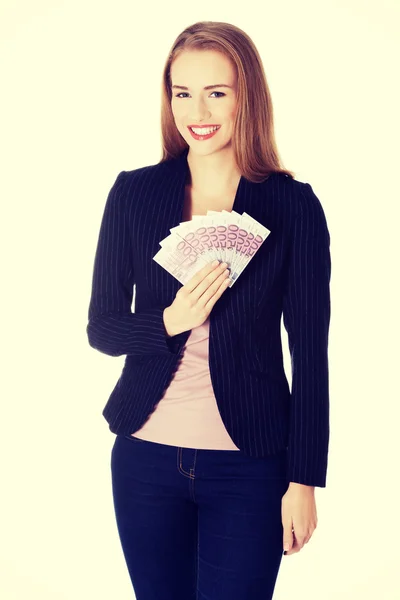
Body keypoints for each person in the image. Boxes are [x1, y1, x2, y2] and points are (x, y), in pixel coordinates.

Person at [86, 20, 331, 600]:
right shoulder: (133, 193)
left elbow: (311, 358)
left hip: (250, 465)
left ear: (247, 96)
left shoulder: (293, 206)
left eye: (216, 92)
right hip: (144, 457)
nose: (197, 109)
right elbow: (102, 328)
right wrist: (169, 319)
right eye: (182, 92)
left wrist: (304, 481)